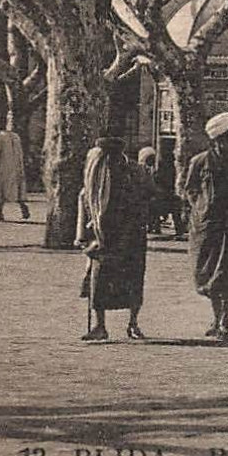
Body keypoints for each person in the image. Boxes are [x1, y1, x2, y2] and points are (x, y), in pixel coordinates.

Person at [184, 112, 228, 341]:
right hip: (207, 228)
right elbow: (189, 189)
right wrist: (201, 207)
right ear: (216, 141)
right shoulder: (200, 162)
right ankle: (216, 318)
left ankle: (224, 321)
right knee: (205, 272)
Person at [76, 136, 153, 341]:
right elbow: (87, 201)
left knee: (133, 279)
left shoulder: (136, 173)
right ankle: (100, 325)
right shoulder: (97, 173)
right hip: (105, 236)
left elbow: (146, 198)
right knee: (99, 280)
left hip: (131, 235)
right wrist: (85, 236)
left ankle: (133, 323)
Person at [0, 127, 29, 221]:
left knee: (1, 189)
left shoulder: (0, 136)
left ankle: (0, 213)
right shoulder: (16, 136)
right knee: (17, 188)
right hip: (16, 166)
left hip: (4, 166)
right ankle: (23, 207)